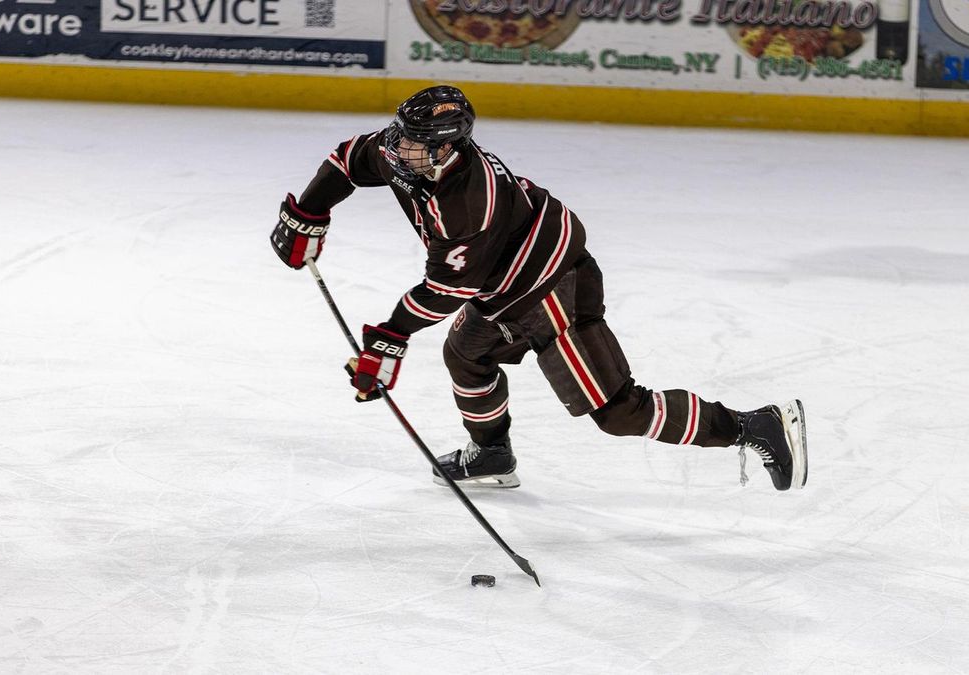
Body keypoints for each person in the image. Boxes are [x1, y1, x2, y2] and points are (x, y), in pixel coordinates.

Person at [270, 85, 808, 491]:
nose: (400, 150)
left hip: (552, 291)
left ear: (448, 149)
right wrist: (309, 213)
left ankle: (751, 425)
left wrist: (390, 337)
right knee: (466, 354)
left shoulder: (468, 202)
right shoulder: (404, 153)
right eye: (402, 135)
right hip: (499, 290)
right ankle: (492, 456)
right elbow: (348, 159)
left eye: (416, 144)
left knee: (617, 412)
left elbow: (446, 289)